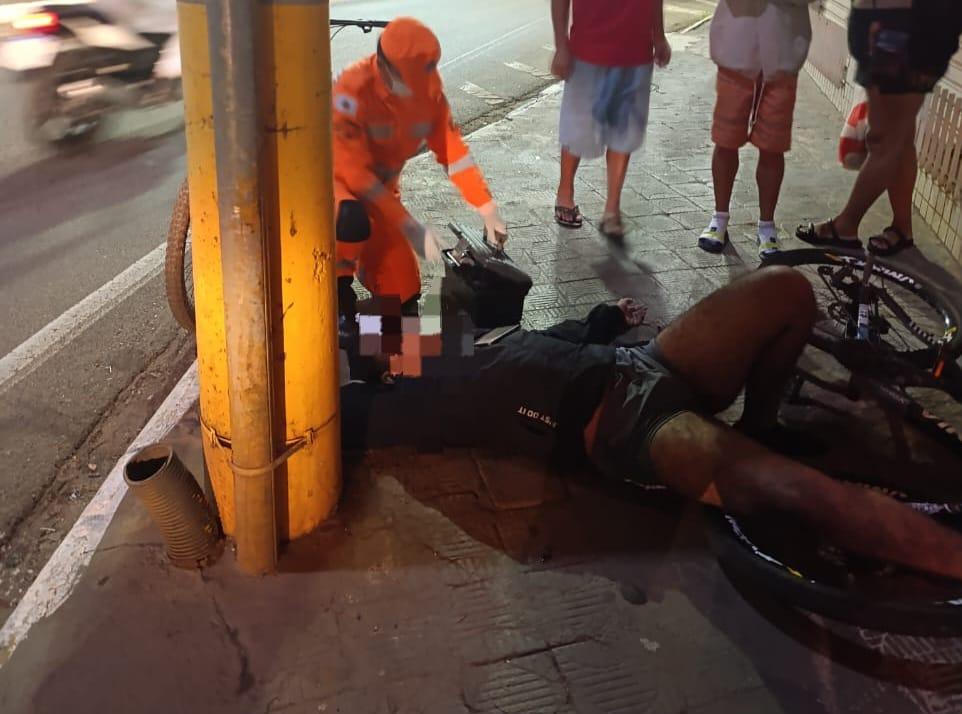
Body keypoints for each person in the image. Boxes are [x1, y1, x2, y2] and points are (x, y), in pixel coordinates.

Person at [341, 267, 962, 582]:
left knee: (785, 290)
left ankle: (762, 423)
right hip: (628, 424)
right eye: (390, 334)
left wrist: (606, 316)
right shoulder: (417, 399)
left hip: (646, 363)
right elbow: (343, 418)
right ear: (385, 366)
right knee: (800, 492)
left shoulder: (463, 340)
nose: (406, 328)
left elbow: (555, 338)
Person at [332, 17, 508, 322]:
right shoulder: (352, 89)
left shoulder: (429, 93)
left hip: (382, 200)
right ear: (384, 68)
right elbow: (354, 175)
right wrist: (409, 226)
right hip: (336, 191)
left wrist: (488, 209)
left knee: (403, 295)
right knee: (350, 222)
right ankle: (336, 298)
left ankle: (373, 338)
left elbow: (454, 154)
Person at [797, 0, 962, 256]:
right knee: (899, 136)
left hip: (906, 29)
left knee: (885, 140)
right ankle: (902, 228)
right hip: (892, 26)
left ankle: (845, 226)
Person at [698, 0, 816, 256]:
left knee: (773, 147)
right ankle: (719, 218)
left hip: (783, 54)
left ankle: (766, 226)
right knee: (726, 140)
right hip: (735, 50)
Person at [550, 0, 672, 240]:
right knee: (578, 128)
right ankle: (565, 192)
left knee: (624, 133)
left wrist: (659, 36)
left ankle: (612, 208)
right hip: (587, 49)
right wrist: (561, 46)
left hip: (635, 52)